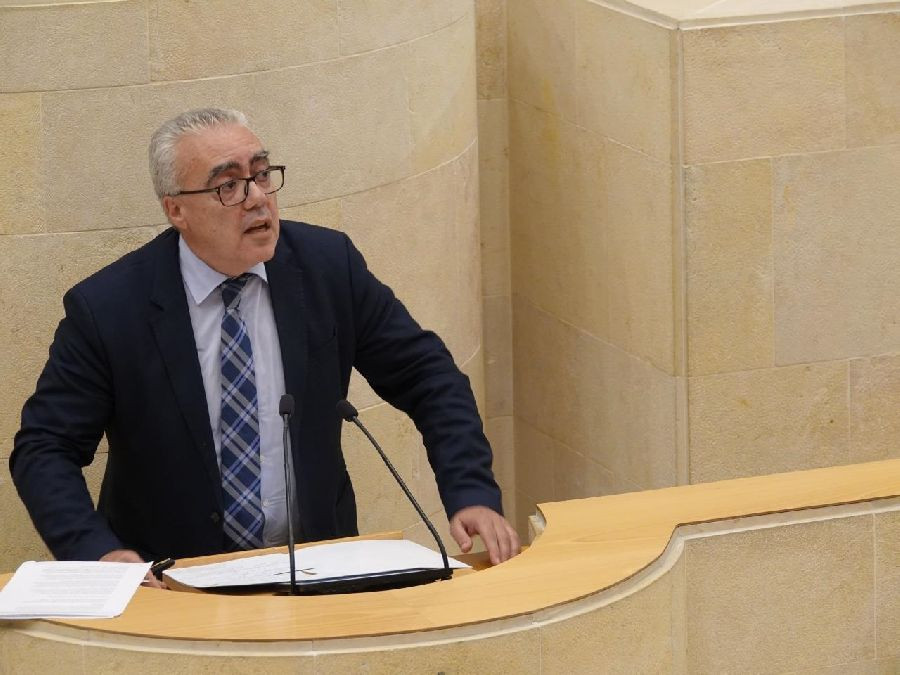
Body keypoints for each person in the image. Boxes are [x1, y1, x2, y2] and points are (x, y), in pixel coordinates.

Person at [11, 108, 519, 581]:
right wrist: (99, 553)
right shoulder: (109, 308)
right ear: (176, 210)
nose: (257, 197)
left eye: (261, 174)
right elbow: (45, 448)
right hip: (172, 583)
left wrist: (470, 490)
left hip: (317, 567)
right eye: (228, 185)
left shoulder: (327, 267)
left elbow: (428, 377)